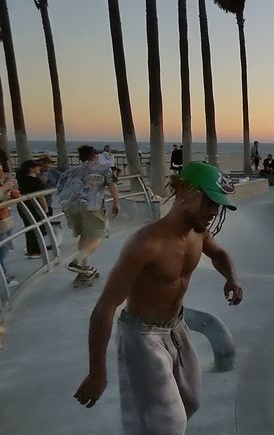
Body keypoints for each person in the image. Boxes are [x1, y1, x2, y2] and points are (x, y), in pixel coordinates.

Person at [73, 161, 243, 434]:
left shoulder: (199, 233)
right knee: (167, 423)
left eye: (217, 205)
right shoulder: (146, 243)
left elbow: (219, 254)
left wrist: (231, 278)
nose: (213, 211)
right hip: (142, 336)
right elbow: (105, 306)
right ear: (185, 192)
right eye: (209, 202)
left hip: (177, 328)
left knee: (190, 402)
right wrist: (96, 372)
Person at [57, 145, 120, 279]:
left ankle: (85, 268)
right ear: (96, 156)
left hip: (71, 206)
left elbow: (60, 188)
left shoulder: (70, 171)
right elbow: (112, 184)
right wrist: (116, 202)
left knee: (84, 236)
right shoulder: (103, 169)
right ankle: (77, 261)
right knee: (99, 235)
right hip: (91, 206)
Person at [16, 160, 49, 259]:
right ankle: (35, 250)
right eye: (37, 166)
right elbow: (41, 196)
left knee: (29, 227)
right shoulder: (35, 180)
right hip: (35, 207)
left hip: (23, 206)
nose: (39, 168)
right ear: (30, 168)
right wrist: (45, 209)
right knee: (38, 228)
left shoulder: (21, 179)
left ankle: (31, 249)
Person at [0, 168, 20, 282]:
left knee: (4, 248)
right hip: (1, 222)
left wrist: (11, 191)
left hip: (4, 221)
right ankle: (3, 280)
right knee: (2, 250)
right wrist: (4, 188)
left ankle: (3, 276)